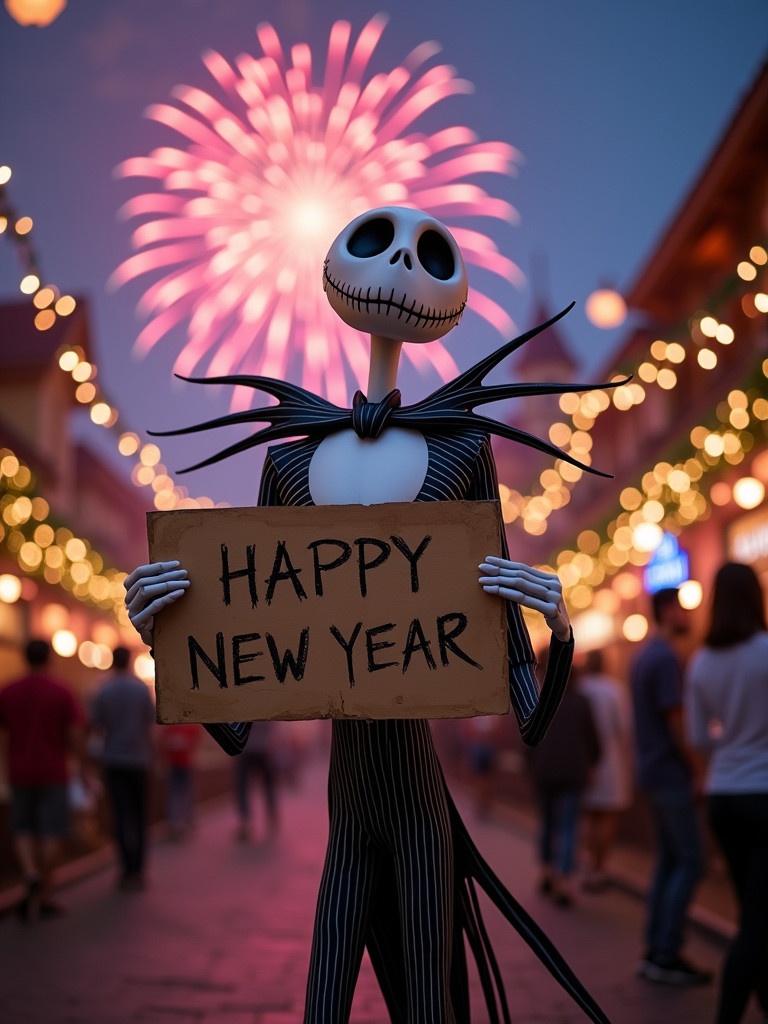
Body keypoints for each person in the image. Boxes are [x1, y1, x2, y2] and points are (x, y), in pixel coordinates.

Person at [124, 208, 614, 1023]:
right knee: (322, 1003)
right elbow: (237, 721)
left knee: (429, 1005)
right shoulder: (288, 463)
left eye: (422, 252)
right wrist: (168, 638)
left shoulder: (463, 456)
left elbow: (527, 711)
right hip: (348, 814)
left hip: (420, 808)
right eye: (375, 241)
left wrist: (556, 629)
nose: (396, 262)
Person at [685, 562, 768, 1024]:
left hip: (724, 795)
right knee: (757, 920)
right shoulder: (765, 651)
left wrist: (733, 741)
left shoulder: (701, 661)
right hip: (763, 792)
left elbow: (698, 736)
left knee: (753, 909)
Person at [630, 586, 711, 987]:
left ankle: (656, 950)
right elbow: (676, 722)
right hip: (670, 774)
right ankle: (666, 951)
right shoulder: (665, 659)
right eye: (682, 607)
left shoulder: (643, 656)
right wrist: (699, 770)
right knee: (692, 861)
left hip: (650, 771)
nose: (689, 614)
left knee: (668, 861)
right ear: (667, 610)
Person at [0, 638, 85, 920]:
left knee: (22, 827)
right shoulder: (61, 691)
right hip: (54, 771)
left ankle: (31, 872)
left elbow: (3, 735)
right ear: (49, 658)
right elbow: (74, 735)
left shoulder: (8, 691)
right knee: (52, 830)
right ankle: (47, 894)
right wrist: (80, 765)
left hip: (19, 770)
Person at [528, 667, 601, 907]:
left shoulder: (538, 700)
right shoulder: (581, 702)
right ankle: (564, 881)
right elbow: (593, 739)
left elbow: (527, 738)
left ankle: (546, 871)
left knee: (548, 823)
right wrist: (593, 762)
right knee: (569, 826)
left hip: (544, 771)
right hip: (573, 771)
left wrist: (531, 766)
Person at [90, 646, 155, 890]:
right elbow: (151, 724)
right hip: (139, 759)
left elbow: (96, 725)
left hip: (113, 760)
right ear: (128, 662)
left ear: (112, 662)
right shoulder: (141, 689)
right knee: (139, 816)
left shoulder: (104, 690)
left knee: (120, 815)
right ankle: (139, 870)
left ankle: (125, 868)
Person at [578, 649, 633, 892]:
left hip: (584, 759)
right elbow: (625, 728)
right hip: (610, 759)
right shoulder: (615, 689)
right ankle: (601, 867)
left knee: (588, 815)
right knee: (608, 815)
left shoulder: (580, 688)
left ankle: (589, 866)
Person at [234, 720, 279, 842]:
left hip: (248, 749)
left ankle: (246, 822)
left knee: (243, 787)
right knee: (268, 787)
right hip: (261, 748)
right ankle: (270, 818)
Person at [158, 722, 202, 839]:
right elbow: (163, 742)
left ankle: (182, 821)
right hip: (175, 764)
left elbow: (195, 740)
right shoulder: (173, 726)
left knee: (183, 793)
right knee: (177, 794)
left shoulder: (185, 726)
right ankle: (177, 822)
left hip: (184, 764)